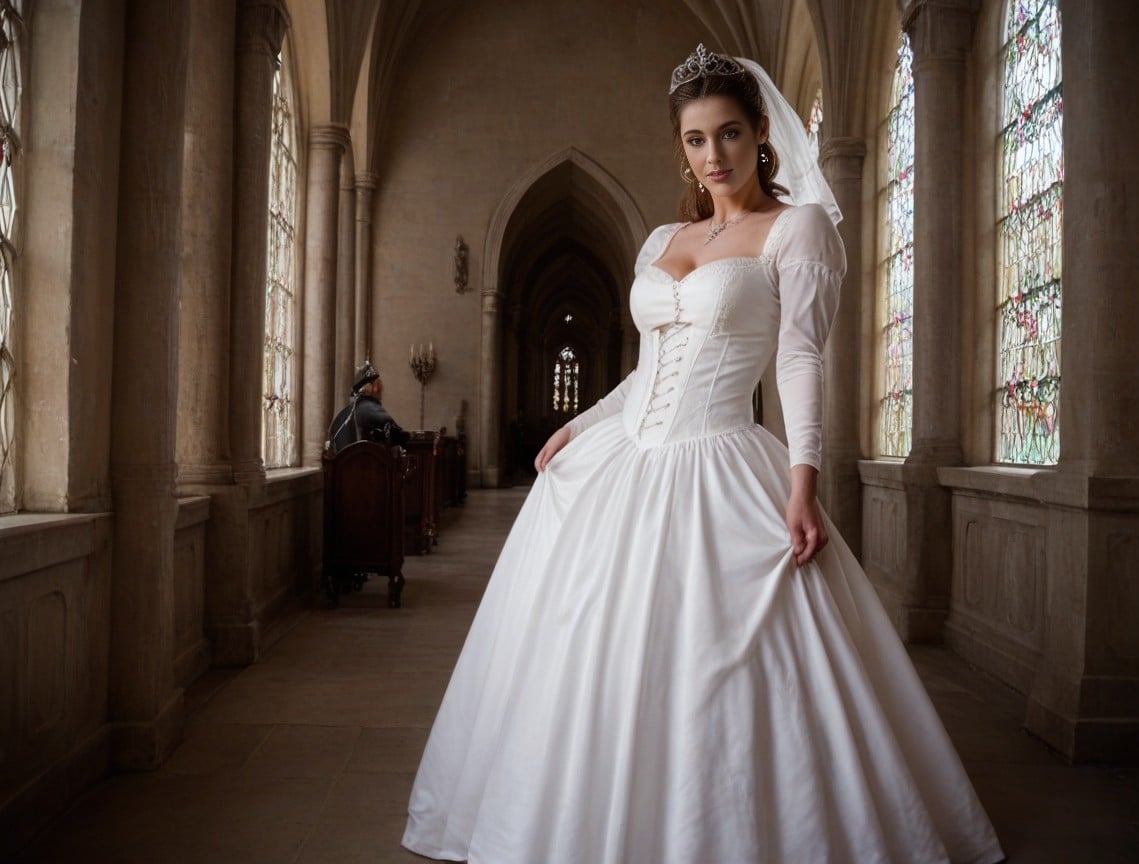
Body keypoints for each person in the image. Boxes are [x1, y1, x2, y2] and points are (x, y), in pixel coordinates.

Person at [402, 45, 1004, 864]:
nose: (712, 156)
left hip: (723, 456)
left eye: (728, 134)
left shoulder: (798, 230)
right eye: (694, 140)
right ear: (679, 147)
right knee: (588, 652)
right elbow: (647, 370)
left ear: (762, 133)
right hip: (624, 455)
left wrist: (803, 481)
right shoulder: (662, 238)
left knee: (725, 665)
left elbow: (799, 361)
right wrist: (578, 428)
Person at [327, 361, 410, 454]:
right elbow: (397, 435)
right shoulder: (371, 408)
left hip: (342, 467)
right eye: (379, 384)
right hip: (365, 466)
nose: (381, 389)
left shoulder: (341, 416)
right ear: (374, 387)